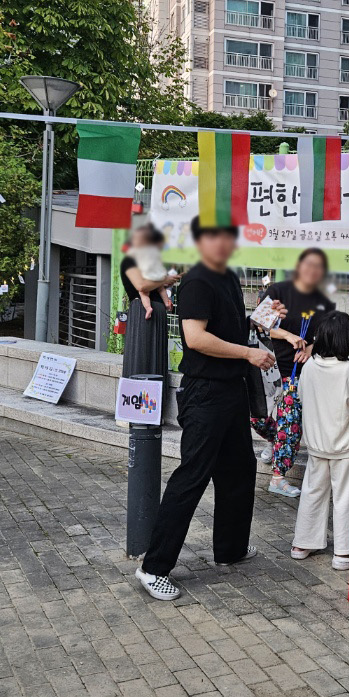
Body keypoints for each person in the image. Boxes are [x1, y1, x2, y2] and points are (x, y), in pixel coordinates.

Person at [135, 216, 278, 602]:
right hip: (205, 393)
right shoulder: (198, 279)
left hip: (231, 391)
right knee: (192, 477)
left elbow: (232, 326)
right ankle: (153, 567)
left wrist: (265, 318)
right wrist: (248, 354)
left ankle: (230, 549)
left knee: (240, 469)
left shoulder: (228, 276)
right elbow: (196, 338)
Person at [290, 310, 349, 571]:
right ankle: (343, 552)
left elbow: (302, 395)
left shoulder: (309, 366)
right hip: (345, 445)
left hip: (317, 444)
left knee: (312, 492)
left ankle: (302, 544)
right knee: (346, 497)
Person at [257, 248, 334, 497]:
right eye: (308, 265)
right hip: (266, 365)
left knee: (289, 421)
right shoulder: (278, 291)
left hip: (296, 370)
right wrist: (288, 335)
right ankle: (275, 440)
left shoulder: (324, 301)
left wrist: (311, 347)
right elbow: (261, 324)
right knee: (255, 416)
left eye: (318, 267)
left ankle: (278, 478)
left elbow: (327, 336)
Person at [119, 224, 180, 383]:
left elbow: (158, 286)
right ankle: (138, 394)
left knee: (153, 360)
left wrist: (166, 299)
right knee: (142, 359)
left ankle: (153, 396)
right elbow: (142, 286)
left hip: (155, 312)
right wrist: (164, 280)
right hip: (142, 312)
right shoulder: (130, 261)